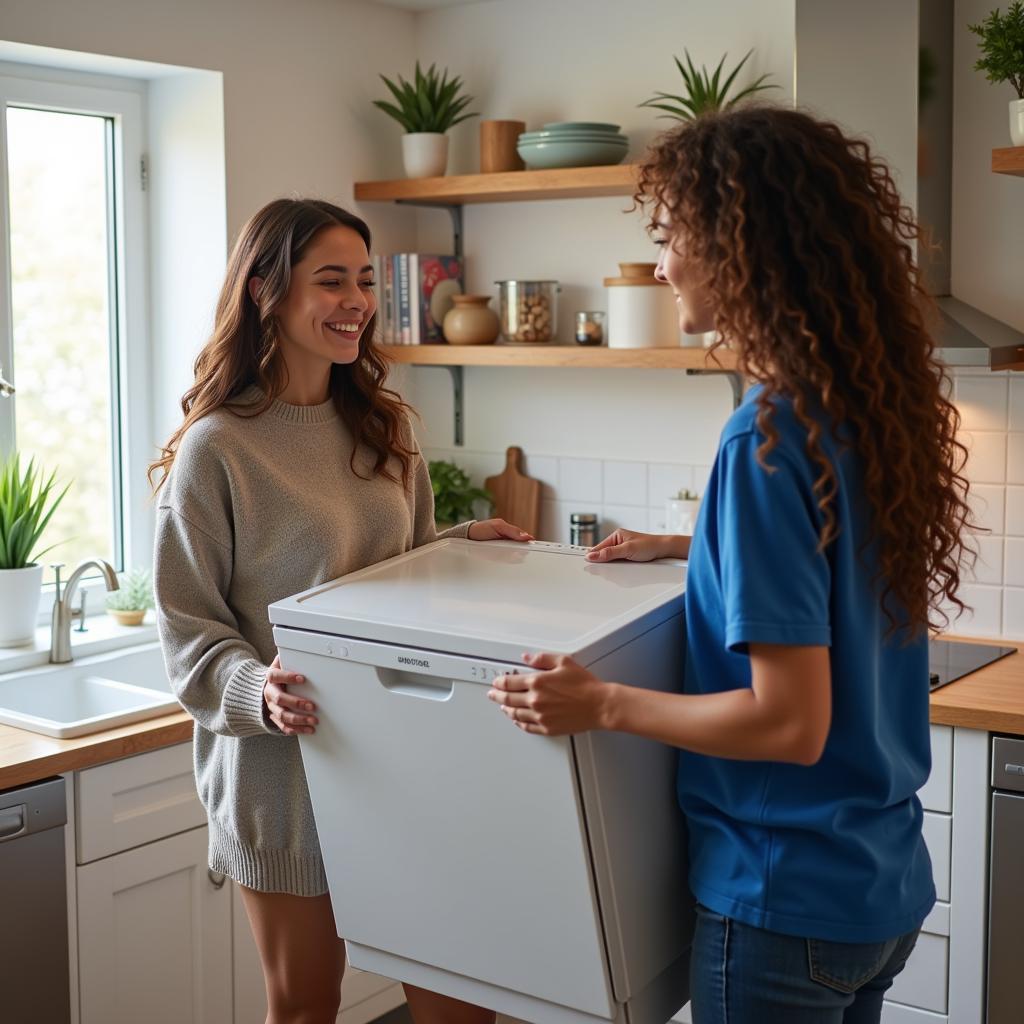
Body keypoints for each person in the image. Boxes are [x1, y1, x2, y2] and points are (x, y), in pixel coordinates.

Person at [487, 106, 973, 1024]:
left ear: (746, 245)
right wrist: (697, 541)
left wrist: (601, 704)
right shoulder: (863, 410)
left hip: (779, 901)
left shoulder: (766, 437)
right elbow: (833, 568)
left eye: (674, 237)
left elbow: (789, 723)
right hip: (880, 886)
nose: (661, 263)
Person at [152, 198, 524, 1024]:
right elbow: (187, 630)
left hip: (407, 760)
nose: (357, 300)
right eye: (331, 281)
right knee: (306, 1006)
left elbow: (402, 567)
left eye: (364, 279)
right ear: (265, 293)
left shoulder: (386, 426)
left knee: (464, 1003)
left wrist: (466, 545)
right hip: (284, 775)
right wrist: (257, 690)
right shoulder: (219, 448)